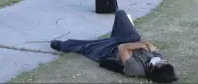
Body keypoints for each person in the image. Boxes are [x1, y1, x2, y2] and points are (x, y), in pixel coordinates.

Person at [50, 10, 178, 83]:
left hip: (109, 50)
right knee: (121, 14)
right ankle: (115, 35)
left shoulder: (136, 69)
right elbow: (148, 42)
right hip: (128, 40)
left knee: (85, 46)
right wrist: (140, 45)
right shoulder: (158, 58)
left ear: (153, 70)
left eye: (161, 64)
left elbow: (122, 48)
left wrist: (139, 45)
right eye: (165, 62)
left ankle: (61, 45)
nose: (162, 60)